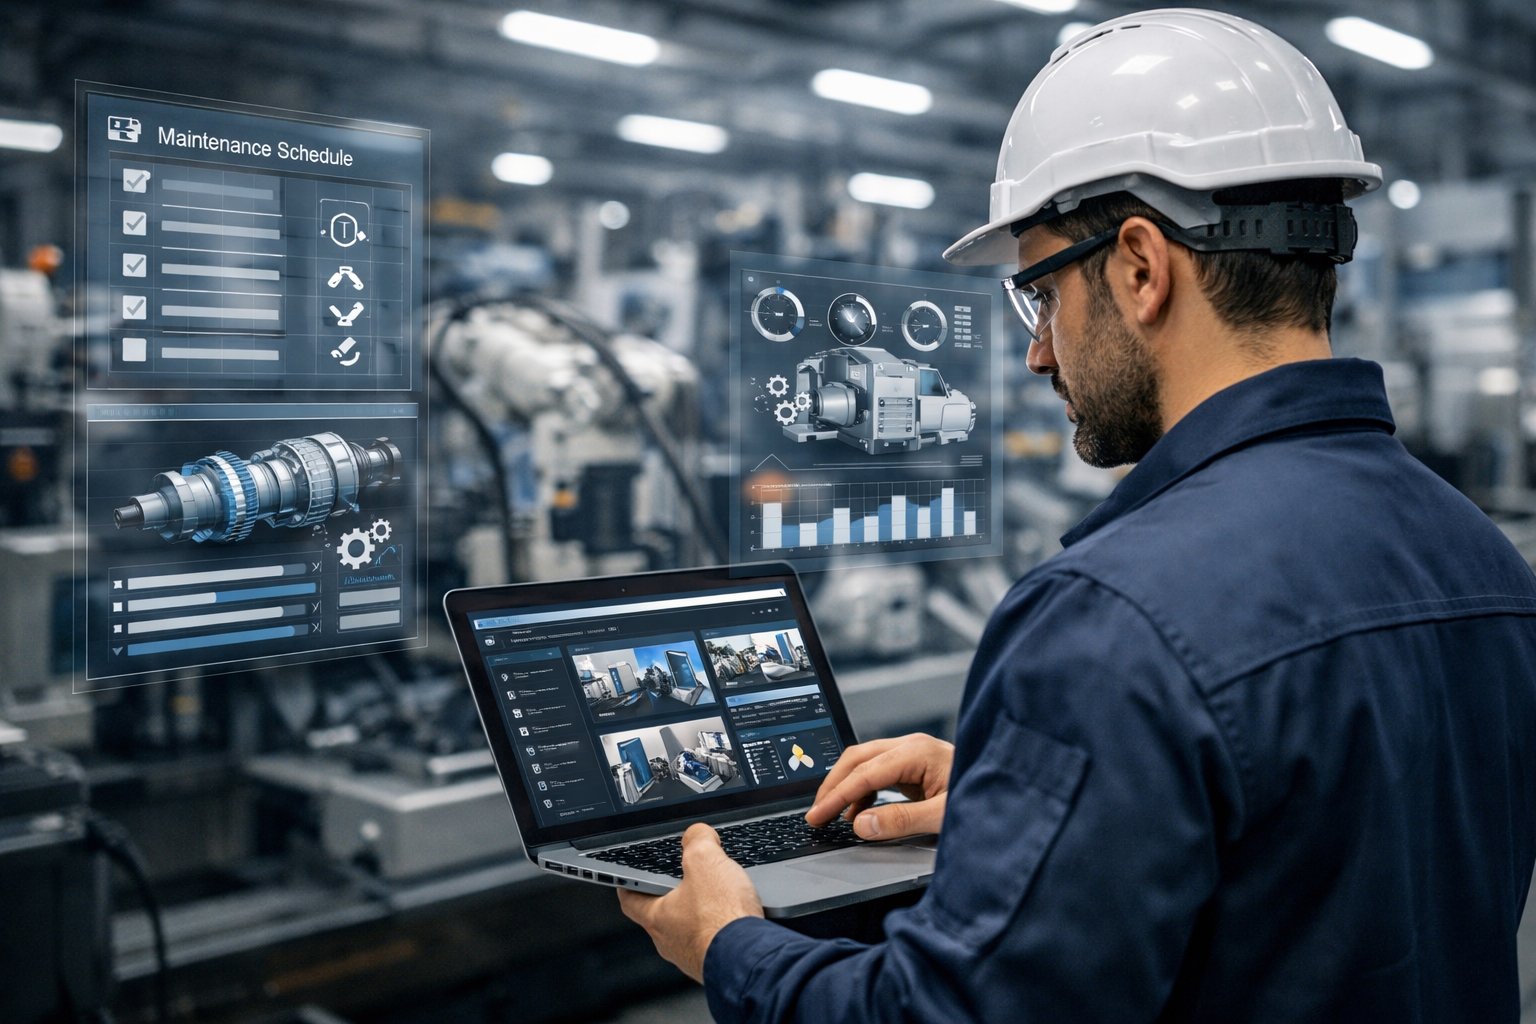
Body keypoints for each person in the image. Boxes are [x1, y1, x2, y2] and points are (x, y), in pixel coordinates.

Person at [620, 9, 1536, 1020]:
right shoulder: (1483, 561)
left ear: (1141, 268)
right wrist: (1035, 798)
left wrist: (731, 945)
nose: (1038, 351)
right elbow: (1323, 857)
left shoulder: (1114, 617)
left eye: (1043, 294)